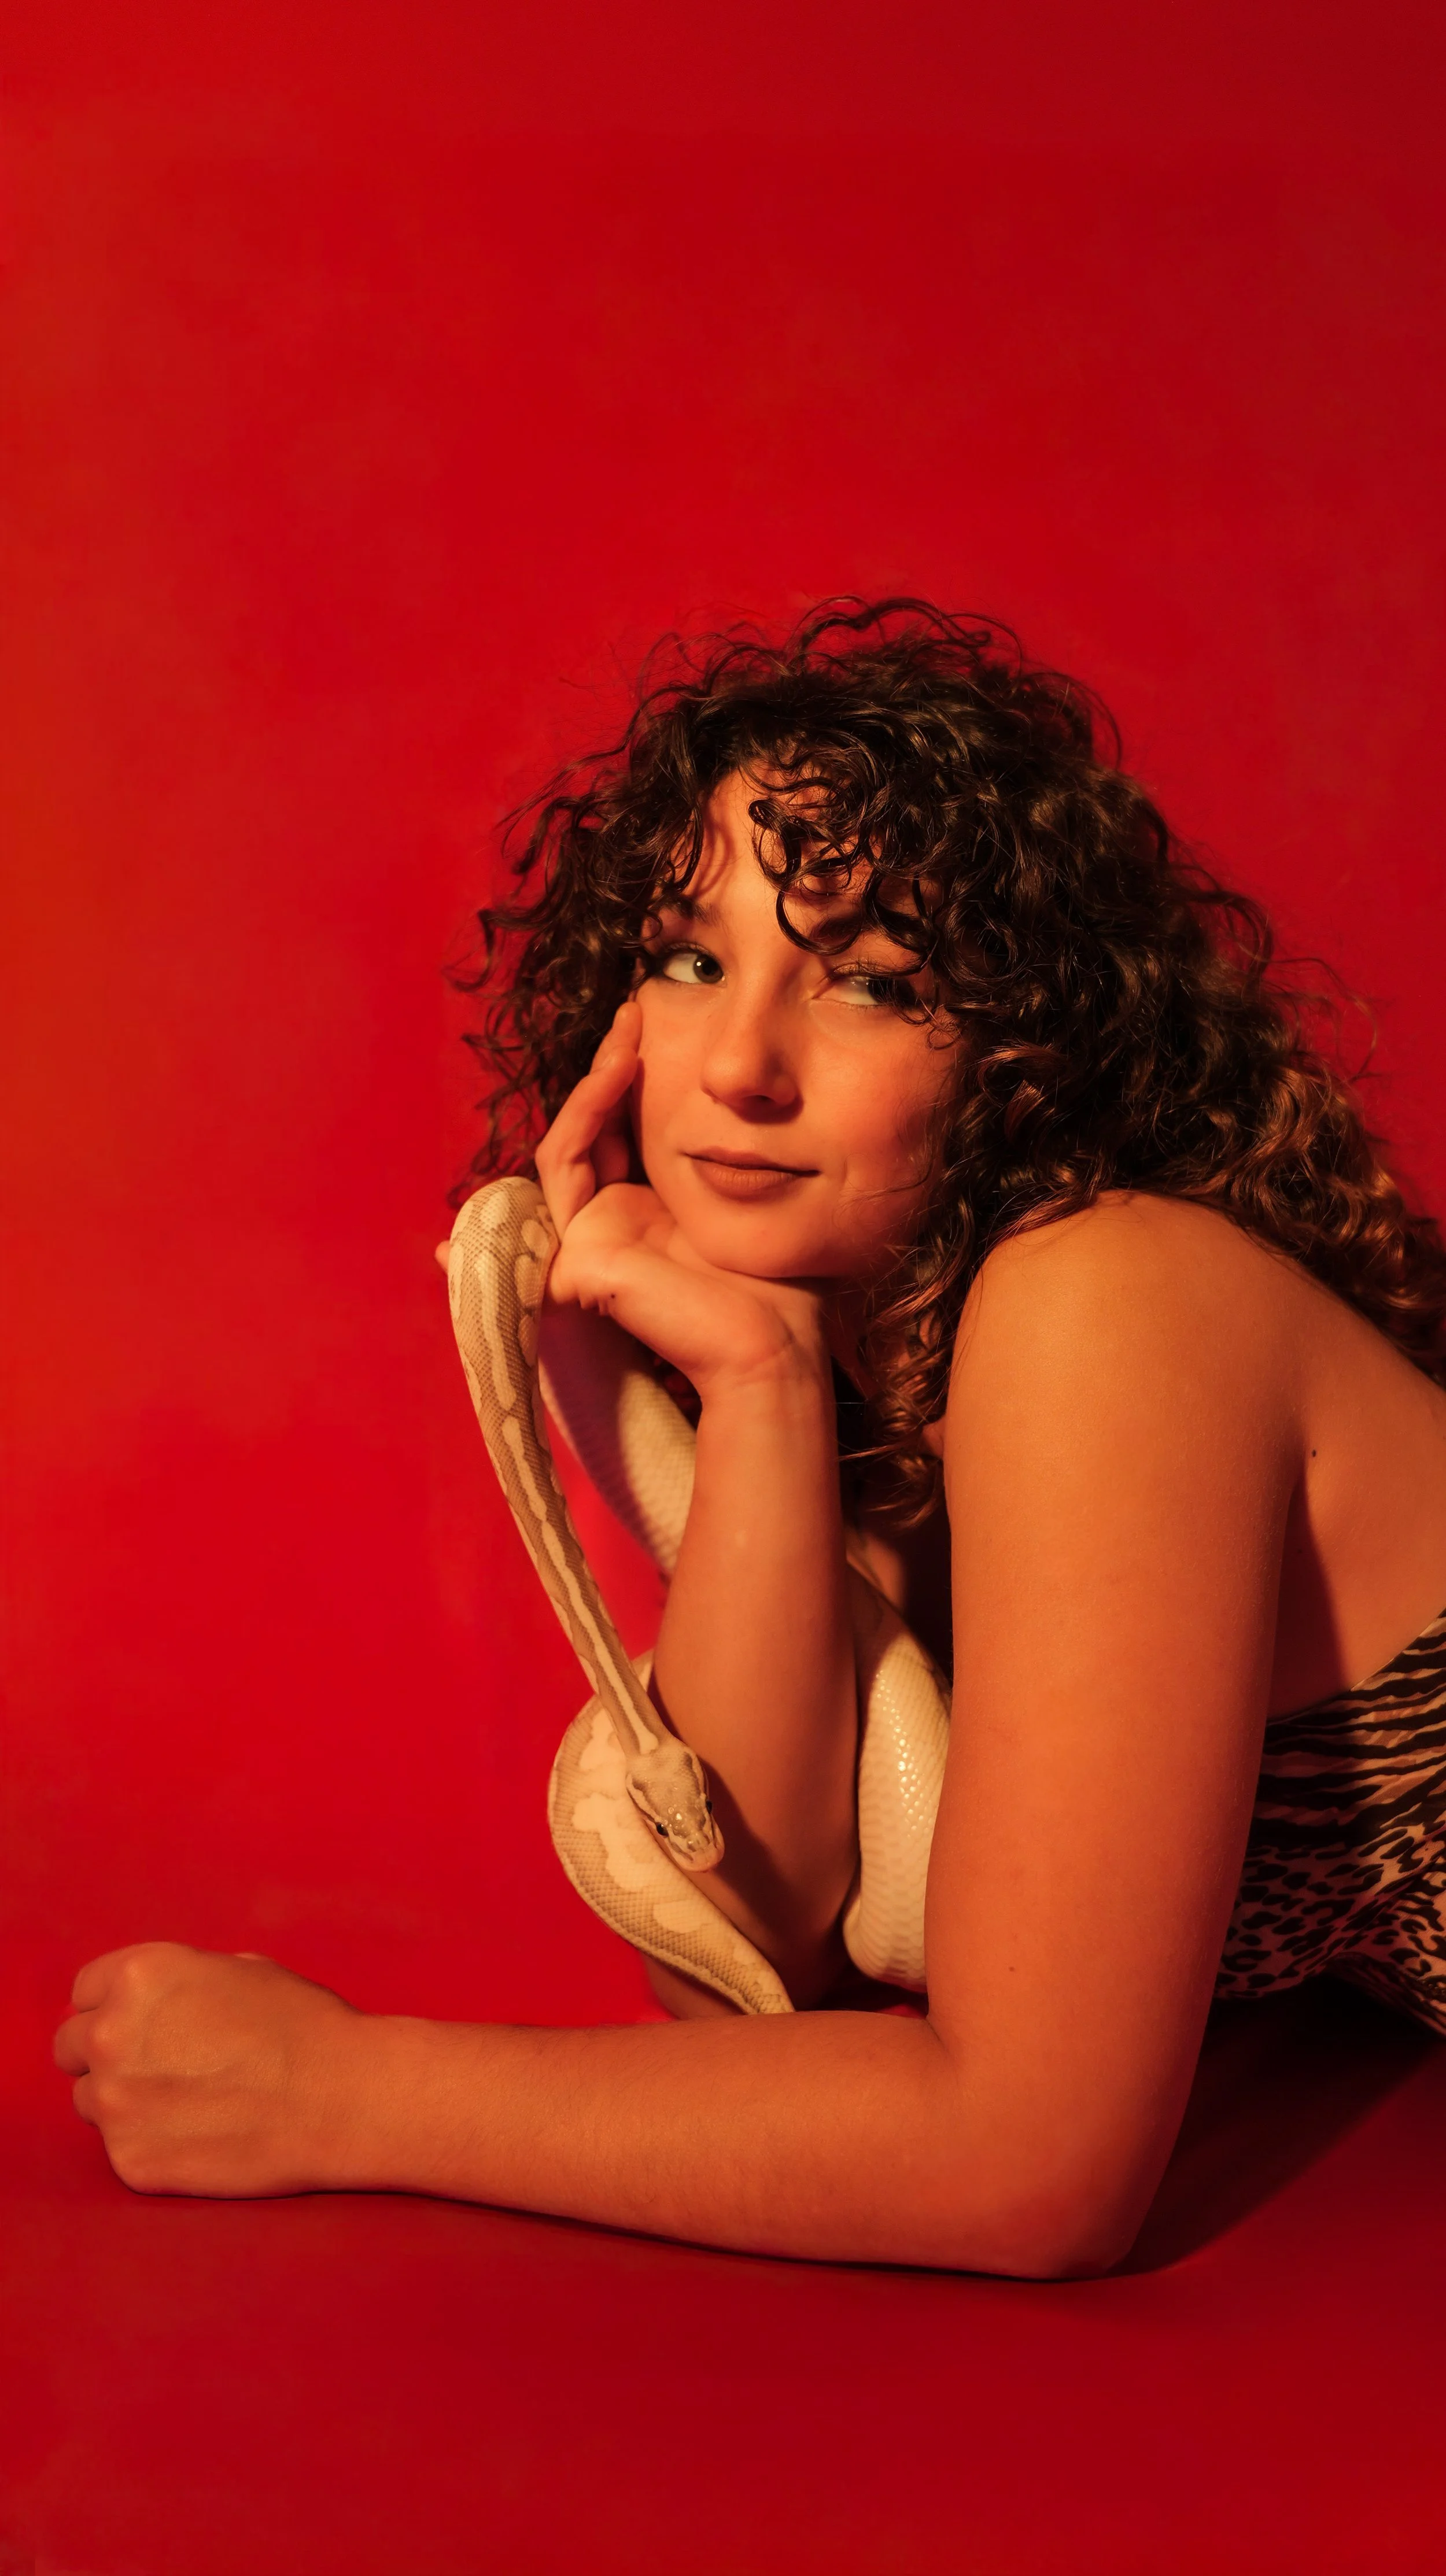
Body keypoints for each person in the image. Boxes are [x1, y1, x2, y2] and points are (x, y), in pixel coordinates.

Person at [53, 601, 1446, 2276]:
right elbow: (747, 1959)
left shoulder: (1103, 1299)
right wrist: (760, 1391)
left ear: (1032, 1039)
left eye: (869, 982)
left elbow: (1022, 2159)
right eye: (689, 956)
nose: (737, 1065)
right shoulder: (878, 1371)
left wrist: (337, 2089)